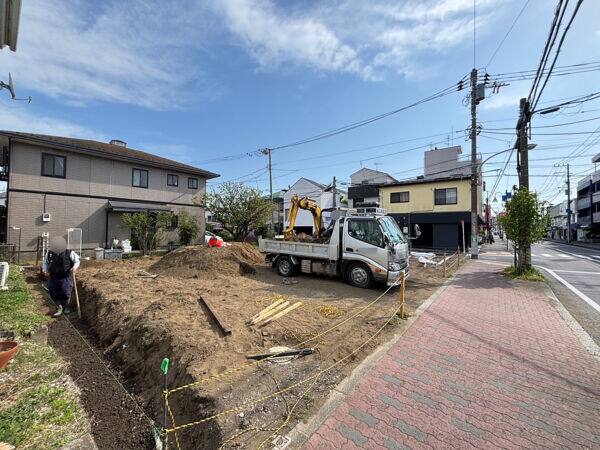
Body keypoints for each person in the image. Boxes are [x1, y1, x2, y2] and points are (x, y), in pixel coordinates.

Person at [42, 236, 80, 317]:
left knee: (66, 292)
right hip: (53, 276)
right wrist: (45, 270)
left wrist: (74, 268)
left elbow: (77, 261)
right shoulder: (49, 253)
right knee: (53, 292)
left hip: (65, 277)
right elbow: (45, 263)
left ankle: (66, 307)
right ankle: (59, 307)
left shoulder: (69, 252)